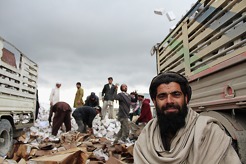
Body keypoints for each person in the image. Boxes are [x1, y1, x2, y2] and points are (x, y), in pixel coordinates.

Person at [134, 71, 241, 163]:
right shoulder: (146, 137)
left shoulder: (209, 132)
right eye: (162, 96)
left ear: (186, 98)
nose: (169, 101)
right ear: (154, 101)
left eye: (176, 94)